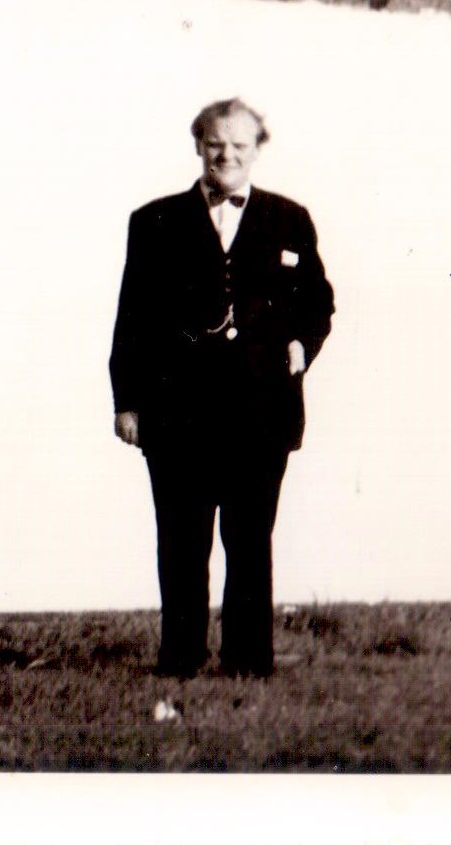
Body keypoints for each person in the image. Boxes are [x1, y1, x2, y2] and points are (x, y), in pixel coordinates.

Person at [109, 98, 335, 678]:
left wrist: (301, 345)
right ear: (198, 146)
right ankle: (180, 656)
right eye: (215, 143)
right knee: (182, 542)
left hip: (261, 413)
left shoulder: (290, 219)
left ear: (258, 149)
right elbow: (132, 317)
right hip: (176, 412)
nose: (226, 155)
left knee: (250, 539)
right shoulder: (153, 221)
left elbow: (318, 301)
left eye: (239, 144)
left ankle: (248, 659)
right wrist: (127, 402)